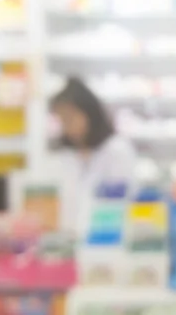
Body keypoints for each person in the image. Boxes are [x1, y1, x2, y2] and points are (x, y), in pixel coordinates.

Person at [48, 76, 137, 234]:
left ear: (89, 113)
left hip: (107, 241)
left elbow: (125, 202)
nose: (67, 126)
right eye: (62, 120)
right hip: (69, 239)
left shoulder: (117, 150)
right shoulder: (65, 155)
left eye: (70, 118)